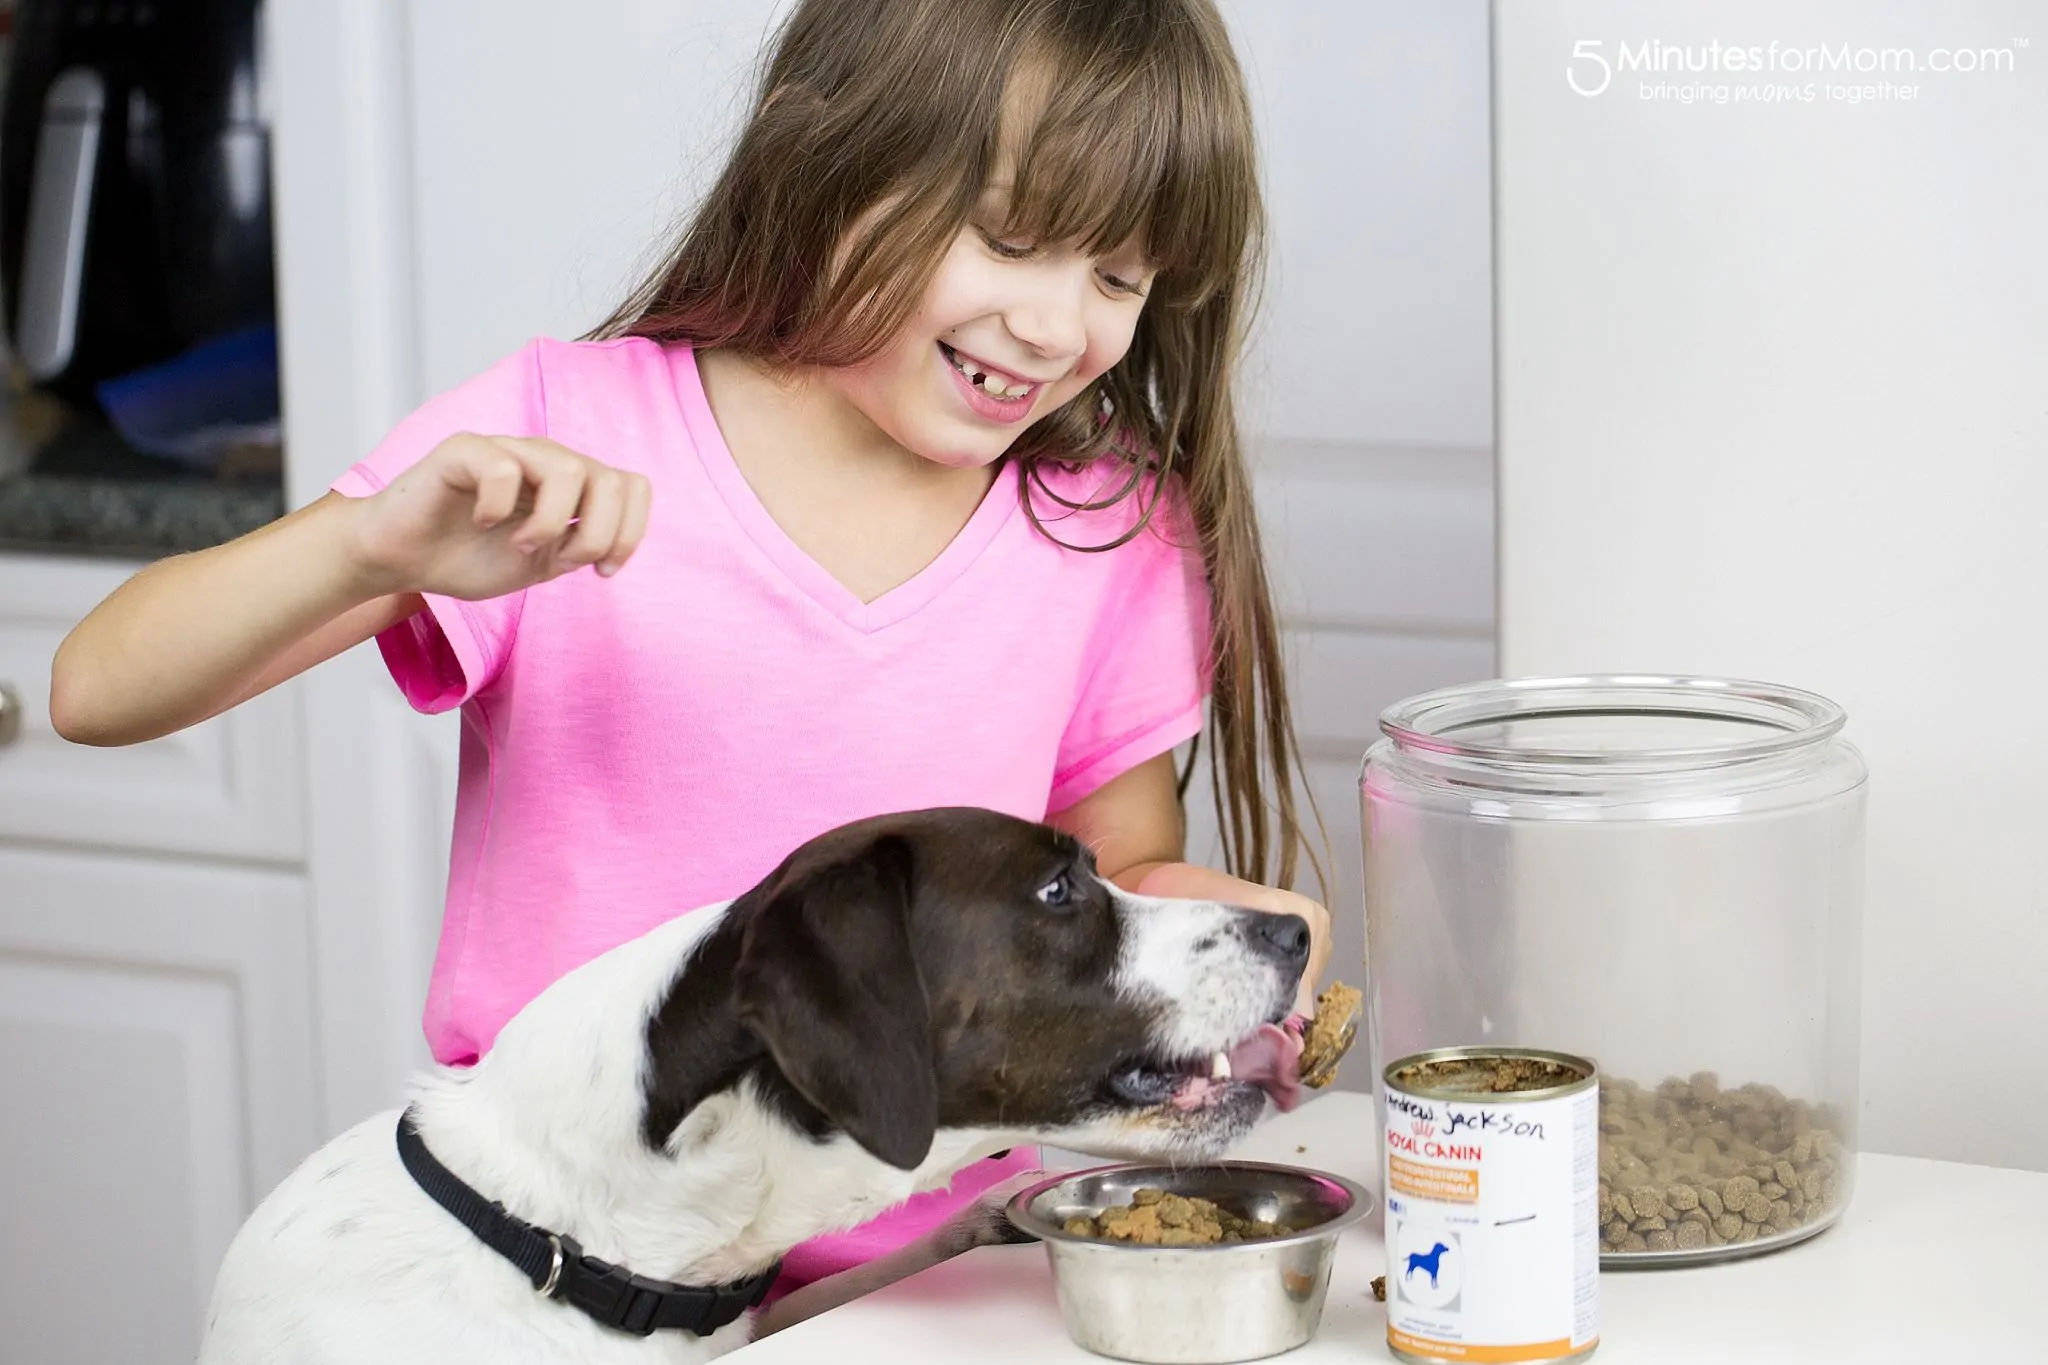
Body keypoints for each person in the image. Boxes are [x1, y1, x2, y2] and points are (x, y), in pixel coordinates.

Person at [50, 0, 1331, 1298]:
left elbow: (1105, 884)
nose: (1059, 327)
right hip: (567, 1282)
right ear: (836, 155)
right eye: (1011, 239)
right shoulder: (569, 440)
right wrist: (367, 548)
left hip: (926, 1290)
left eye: (1118, 278)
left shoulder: (1113, 532)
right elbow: (98, 687)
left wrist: (1224, 941)